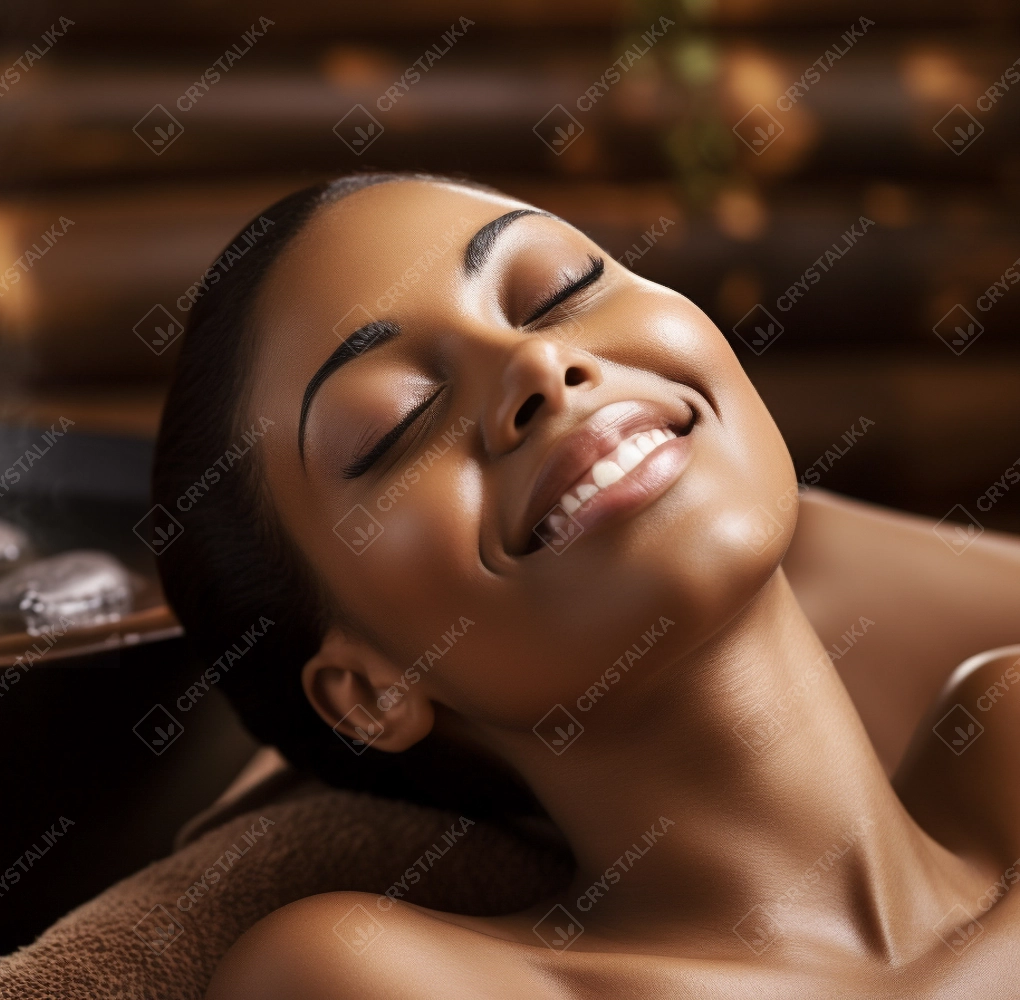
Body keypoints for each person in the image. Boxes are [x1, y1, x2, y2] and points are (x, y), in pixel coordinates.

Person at [150, 172, 1020, 997]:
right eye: (399, 424)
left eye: (559, 291)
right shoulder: (362, 975)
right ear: (371, 689)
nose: (536, 366)